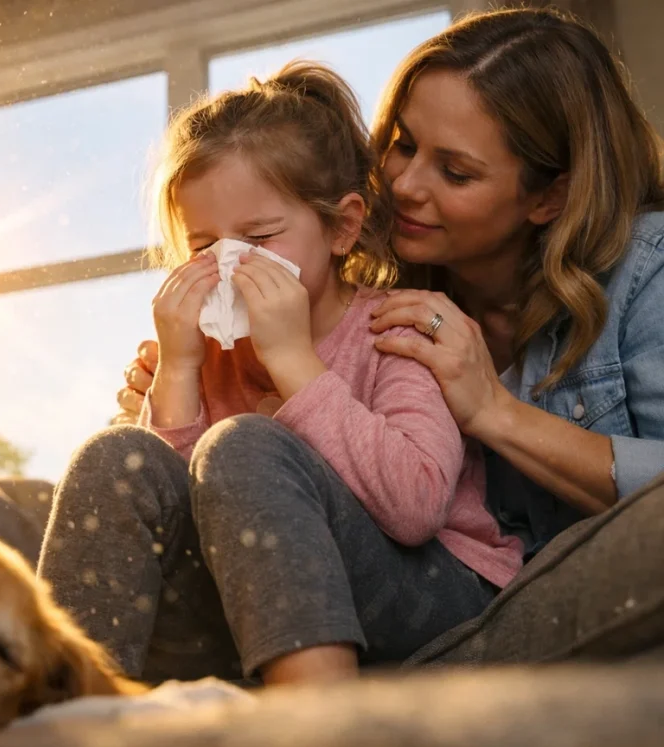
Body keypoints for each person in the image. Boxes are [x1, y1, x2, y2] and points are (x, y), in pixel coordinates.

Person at [116, 7, 664, 661]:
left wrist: (494, 412)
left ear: (548, 197)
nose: (401, 184)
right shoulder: (375, 284)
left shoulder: (644, 269)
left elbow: (417, 503)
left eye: (454, 171)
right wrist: (174, 390)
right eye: (402, 142)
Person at [39, 59, 522, 689]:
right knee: (114, 454)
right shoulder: (210, 354)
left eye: (260, 237)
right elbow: (181, 515)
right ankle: (60, 706)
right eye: (203, 246)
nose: (230, 265)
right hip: (261, 601)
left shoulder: (399, 330)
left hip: (432, 591)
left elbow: (415, 509)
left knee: (246, 443)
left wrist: (295, 362)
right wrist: (179, 371)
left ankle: (313, 722)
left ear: (343, 226)